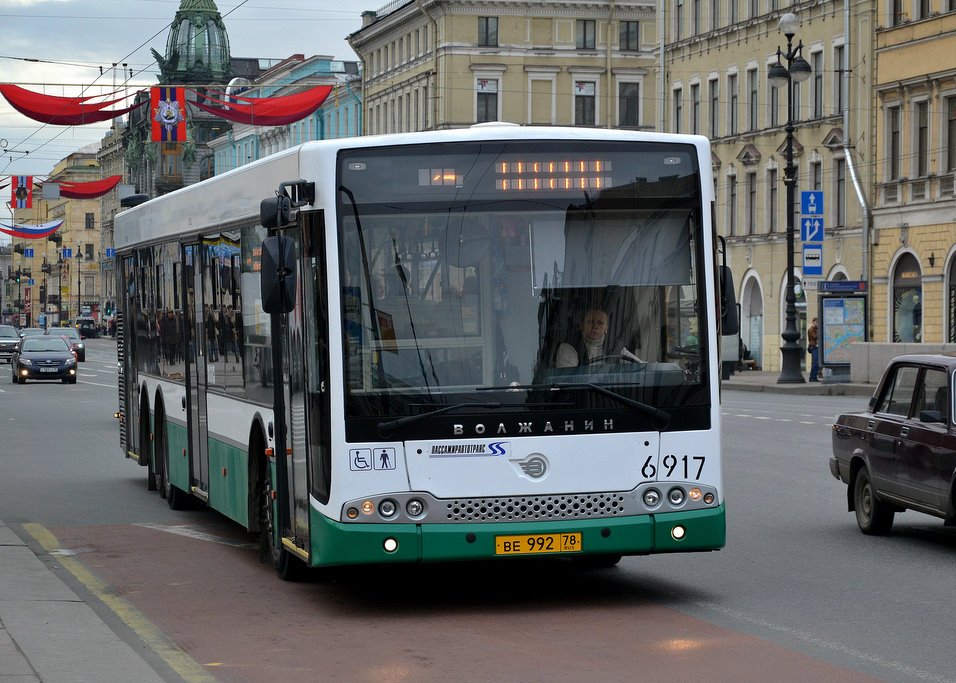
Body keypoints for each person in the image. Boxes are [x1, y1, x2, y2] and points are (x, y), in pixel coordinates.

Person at [555, 307, 629, 368]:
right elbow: (567, 380)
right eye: (590, 322)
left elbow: (639, 366)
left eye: (600, 323)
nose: (595, 326)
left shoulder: (616, 346)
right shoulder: (569, 346)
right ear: (581, 325)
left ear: (606, 328)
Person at [807, 316, 820, 382]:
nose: (817, 323)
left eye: (818, 322)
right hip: (813, 347)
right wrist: (819, 330)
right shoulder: (811, 329)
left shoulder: (816, 329)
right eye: (816, 322)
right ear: (813, 322)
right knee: (815, 363)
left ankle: (814, 377)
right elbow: (816, 337)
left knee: (817, 363)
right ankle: (812, 377)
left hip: (816, 347)